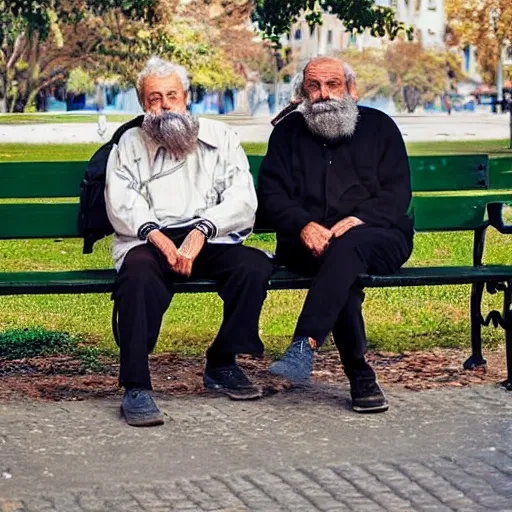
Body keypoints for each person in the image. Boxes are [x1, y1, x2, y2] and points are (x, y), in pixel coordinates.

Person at [105, 56, 273, 427]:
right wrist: (162, 242)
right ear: (142, 104)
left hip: (209, 235)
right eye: (154, 98)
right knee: (137, 279)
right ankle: (136, 386)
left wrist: (203, 231)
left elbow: (243, 199)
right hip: (148, 238)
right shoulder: (130, 142)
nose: (164, 105)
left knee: (254, 267)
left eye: (172, 96)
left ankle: (223, 362)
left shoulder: (221, 137)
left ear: (187, 97)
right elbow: (122, 203)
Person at [258, 57, 414, 413]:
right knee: (339, 261)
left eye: (333, 85)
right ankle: (359, 373)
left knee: (346, 246)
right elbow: (271, 193)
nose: (324, 94)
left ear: (351, 89)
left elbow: (397, 193)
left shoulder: (380, 127)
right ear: (303, 92)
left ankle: (305, 344)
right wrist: (302, 224)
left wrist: (361, 218)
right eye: (314, 86)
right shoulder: (287, 133)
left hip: (380, 237)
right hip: (306, 242)